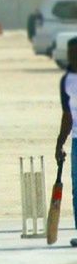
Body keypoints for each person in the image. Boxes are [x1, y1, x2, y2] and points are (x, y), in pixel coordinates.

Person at [54, 37, 77, 246]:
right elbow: (67, 115)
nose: (72, 56)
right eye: (70, 52)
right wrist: (60, 142)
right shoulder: (66, 80)